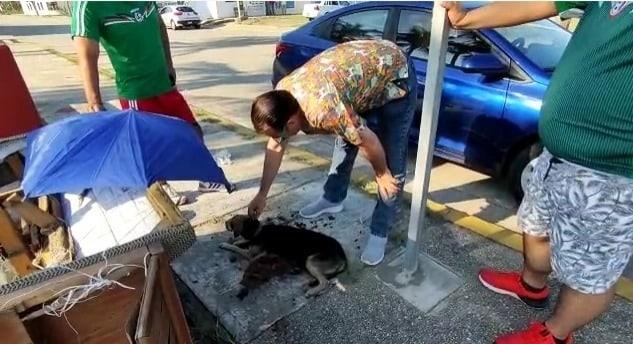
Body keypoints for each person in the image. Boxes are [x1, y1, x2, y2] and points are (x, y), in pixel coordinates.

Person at [442, 2, 633, 343]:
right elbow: (539, 2)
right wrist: (467, 19)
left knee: (591, 273)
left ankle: (556, 335)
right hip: (554, 154)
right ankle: (532, 285)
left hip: (611, 174)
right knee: (534, 224)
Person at [247, 40, 417, 266]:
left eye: (279, 133)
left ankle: (379, 231)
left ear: (291, 123)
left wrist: (382, 172)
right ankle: (332, 198)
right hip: (358, 79)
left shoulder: (324, 110)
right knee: (345, 135)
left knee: (391, 163)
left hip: (395, 76)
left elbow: (371, 142)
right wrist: (262, 193)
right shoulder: (281, 95)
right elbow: (276, 145)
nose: (277, 139)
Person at [71, 1, 223, 204]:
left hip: (163, 83)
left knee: (192, 130)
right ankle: (161, 188)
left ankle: (206, 178)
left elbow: (159, 25)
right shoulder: (87, 5)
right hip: (136, 91)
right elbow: (86, 54)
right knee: (150, 147)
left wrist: (169, 64)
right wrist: (94, 101)